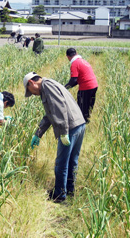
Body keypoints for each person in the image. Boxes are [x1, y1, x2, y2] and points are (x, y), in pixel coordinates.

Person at [23, 72, 86, 203]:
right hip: (79, 124)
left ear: (31, 83)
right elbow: (49, 115)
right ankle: (69, 190)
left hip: (70, 127)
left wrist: (63, 132)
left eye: (31, 91)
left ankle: (59, 195)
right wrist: (38, 134)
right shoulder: (50, 84)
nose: (33, 94)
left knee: (61, 163)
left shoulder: (47, 86)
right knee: (72, 160)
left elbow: (60, 109)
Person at [65, 48, 98, 123]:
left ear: (68, 56)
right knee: (89, 104)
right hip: (94, 85)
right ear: (76, 53)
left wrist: (64, 88)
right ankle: (87, 119)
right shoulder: (82, 61)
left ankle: (82, 122)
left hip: (86, 86)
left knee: (82, 105)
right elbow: (77, 79)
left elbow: (74, 80)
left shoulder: (74, 64)